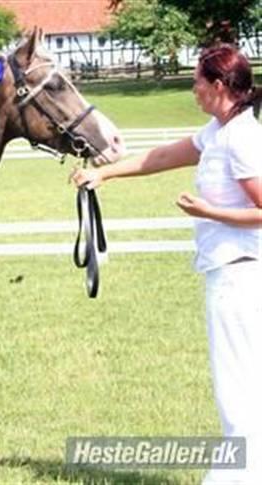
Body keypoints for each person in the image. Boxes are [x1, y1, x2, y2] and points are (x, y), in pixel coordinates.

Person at [72, 44, 262, 484]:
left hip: (240, 272)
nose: (193, 89)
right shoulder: (219, 131)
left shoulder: (240, 139)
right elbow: (162, 157)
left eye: (197, 81)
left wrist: (209, 213)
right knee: (240, 382)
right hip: (229, 270)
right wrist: (105, 173)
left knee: (237, 386)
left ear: (218, 86)